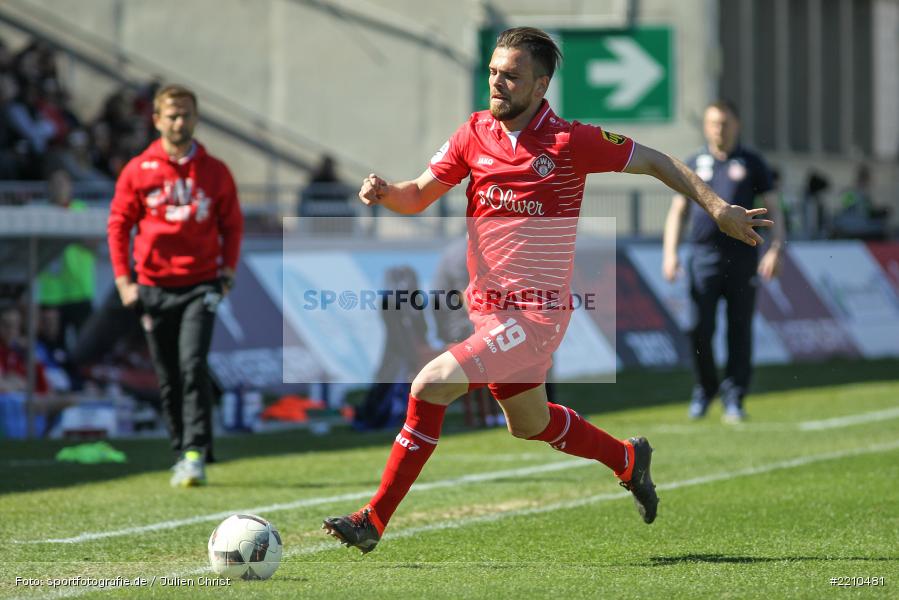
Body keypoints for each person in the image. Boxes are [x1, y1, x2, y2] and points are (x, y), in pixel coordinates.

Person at [322, 28, 772, 553]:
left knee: (429, 385)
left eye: (510, 75)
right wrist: (385, 192)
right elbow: (418, 195)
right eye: (492, 71)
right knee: (530, 424)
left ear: (540, 85)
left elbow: (657, 160)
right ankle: (627, 459)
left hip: (534, 318)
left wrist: (717, 208)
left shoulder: (569, 141)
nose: (496, 82)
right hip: (488, 315)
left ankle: (373, 519)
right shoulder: (472, 133)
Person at [107, 84, 243, 487]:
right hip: (152, 287)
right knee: (167, 375)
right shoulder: (138, 170)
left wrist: (228, 270)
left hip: (200, 284)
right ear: (157, 120)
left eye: (186, 114)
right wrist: (123, 282)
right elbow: (119, 225)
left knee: (192, 364)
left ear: (196, 118)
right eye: (172, 115)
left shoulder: (215, 171)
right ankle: (181, 448)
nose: (179, 122)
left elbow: (232, 224)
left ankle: (195, 451)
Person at [661, 100, 785, 423]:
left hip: (743, 257)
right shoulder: (694, 163)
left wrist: (776, 248)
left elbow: (774, 208)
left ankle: (735, 397)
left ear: (737, 125)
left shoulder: (753, 162)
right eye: (714, 123)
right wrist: (670, 252)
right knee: (698, 329)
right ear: (705, 126)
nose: (719, 129)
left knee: (739, 329)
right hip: (703, 258)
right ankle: (705, 390)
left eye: (725, 123)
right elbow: (678, 211)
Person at [37, 169, 97, 351]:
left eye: (62, 183)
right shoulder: (41, 215)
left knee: (86, 344)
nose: (59, 188)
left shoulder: (82, 211)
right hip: (51, 294)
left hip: (79, 290)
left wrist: (68, 233)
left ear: (70, 187)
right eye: (54, 184)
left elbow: (94, 243)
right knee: (54, 346)